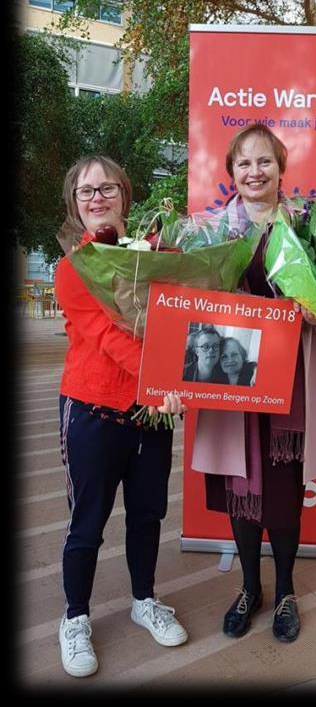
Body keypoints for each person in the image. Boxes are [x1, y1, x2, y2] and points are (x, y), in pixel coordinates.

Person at [191, 123, 316, 643]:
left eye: (264, 162)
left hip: (289, 385)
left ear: (281, 168)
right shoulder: (208, 232)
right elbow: (191, 306)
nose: (253, 172)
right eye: (243, 163)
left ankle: (284, 593)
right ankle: (248, 588)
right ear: (231, 172)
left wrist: (314, 313)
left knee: (281, 492)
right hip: (231, 381)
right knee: (239, 489)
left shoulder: (310, 228)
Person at [54, 155, 189, 678]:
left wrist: (181, 381)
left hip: (150, 416)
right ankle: (75, 616)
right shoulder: (73, 268)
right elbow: (106, 338)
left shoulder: (162, 257)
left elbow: (187, 319)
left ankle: (143, 600)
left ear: (125, 197)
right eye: (86, 191)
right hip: (91, 411)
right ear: (75, 204)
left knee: (148, 514)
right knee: (86, 525)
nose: (97, 198)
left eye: (107, 188)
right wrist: (160, 384)